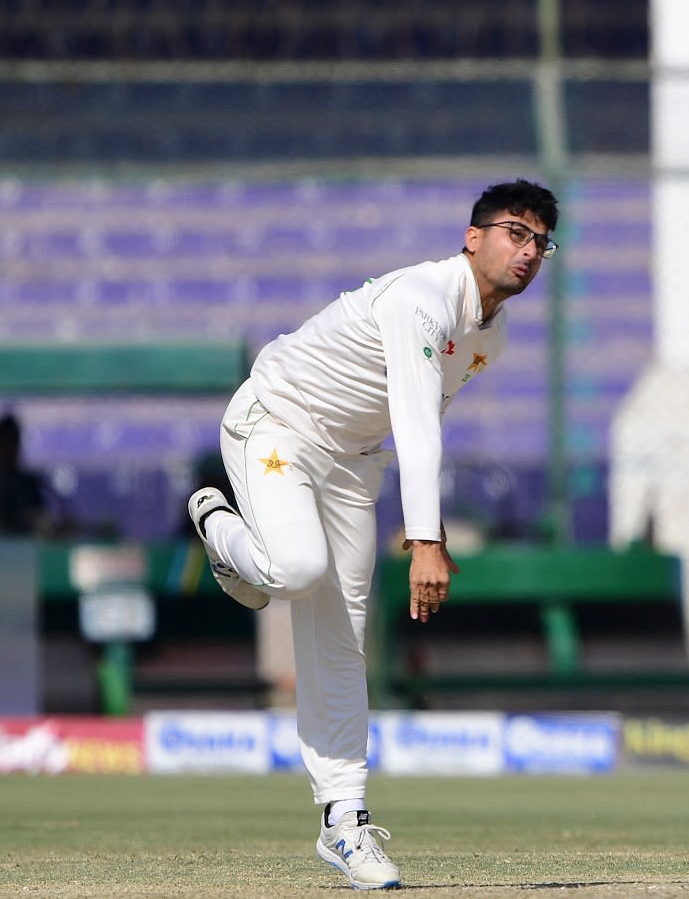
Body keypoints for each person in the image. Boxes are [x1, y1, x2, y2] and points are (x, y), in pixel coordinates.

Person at [187, 178, 559, 890]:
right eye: (516, 231)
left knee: (344, 636)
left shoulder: (492, 336)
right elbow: (417, 427)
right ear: (472, 236)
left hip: (354, 465)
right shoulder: (420, 299)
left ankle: (344, 820)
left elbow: (425, 417)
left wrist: (434, 530)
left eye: (541, 241)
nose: (529, 250)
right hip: (280, 425)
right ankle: (219, 526)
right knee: (294, 569)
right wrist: (423, 541)